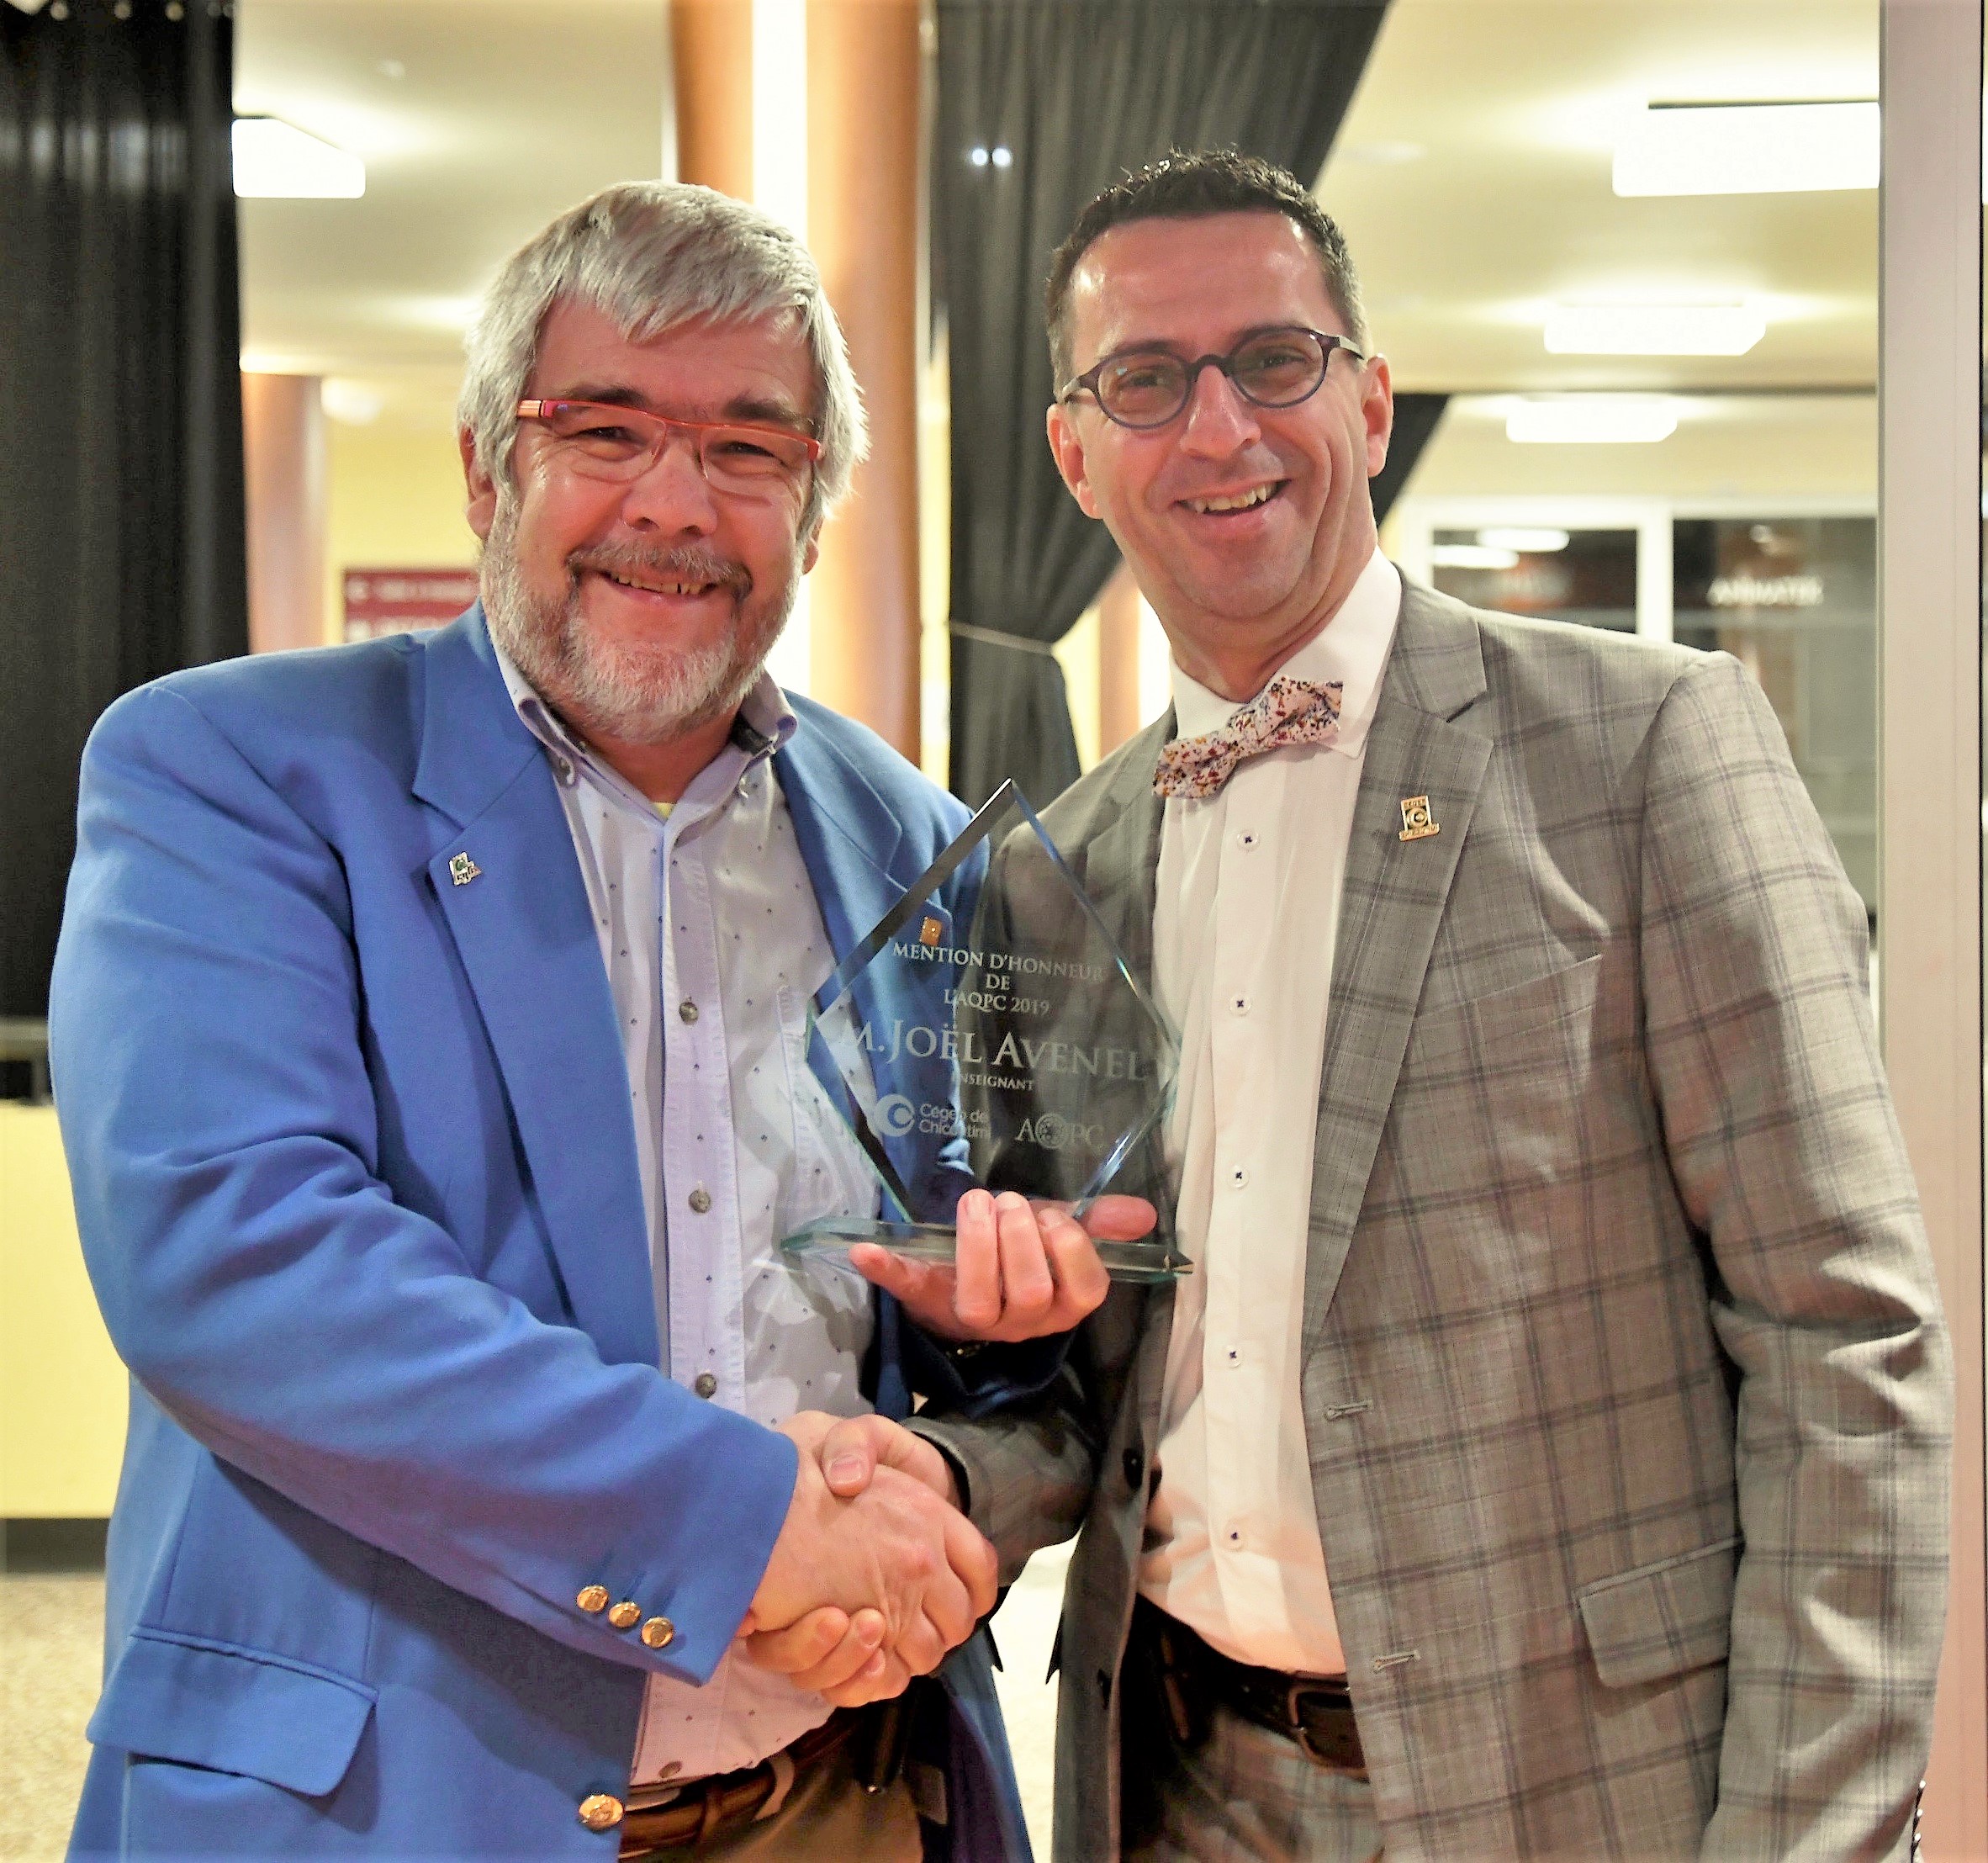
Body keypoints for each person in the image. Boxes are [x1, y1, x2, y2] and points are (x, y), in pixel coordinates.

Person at [50, 180, 1136, 1862]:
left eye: (750, 450)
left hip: (849, 1791)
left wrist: (969, 1423)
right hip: (393, 1807)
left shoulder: (925, 849)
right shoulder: (239, 775)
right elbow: (239, 1255)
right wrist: (754, 1525)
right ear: (491, 468)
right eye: (606, 430)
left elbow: (1027, 1354)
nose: (675, 505)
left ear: (818, 505)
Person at [899, 151, 1954, 1861]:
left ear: (1372, 402)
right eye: (1147, 380)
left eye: (1276, 359)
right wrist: (949, 1446)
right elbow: (1095, 1383)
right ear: (1074, 452)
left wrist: (1812, 1833)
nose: (1222, 426)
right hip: (1171, 1778)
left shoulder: (1649, 743)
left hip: (1585, 1786)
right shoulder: (1058, 867)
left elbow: (1849, 1335)